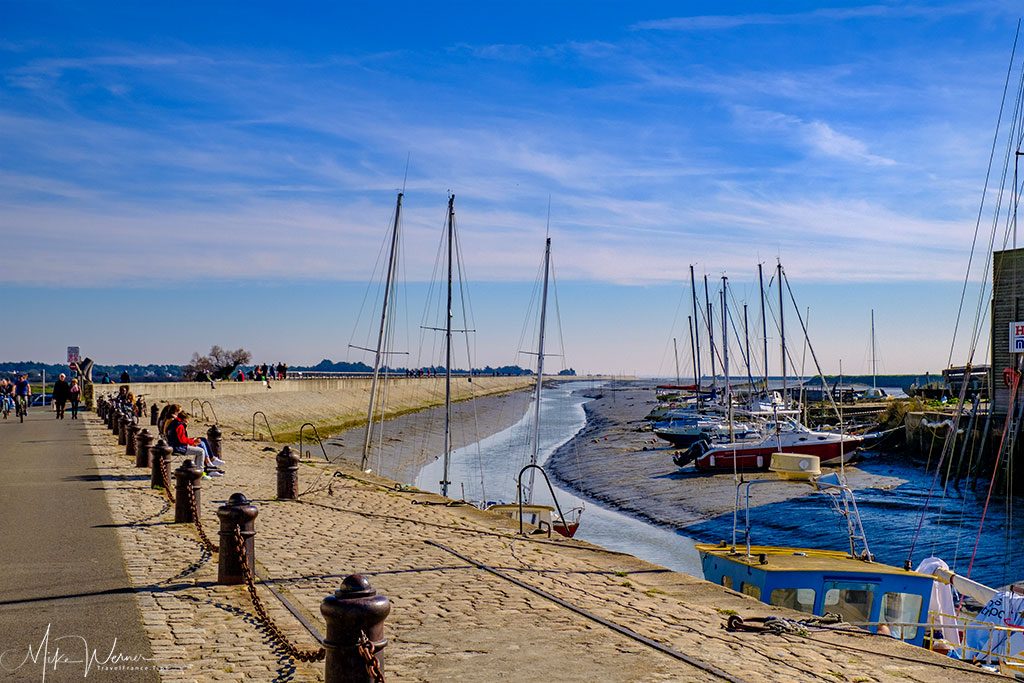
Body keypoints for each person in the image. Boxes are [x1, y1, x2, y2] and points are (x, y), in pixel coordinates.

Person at [165, 411, 224, 477]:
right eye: (187, 420)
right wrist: (193, 441)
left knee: (202, 440)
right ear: (184, 419)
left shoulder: (173, 423)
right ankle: (201, 472)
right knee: (201, 451)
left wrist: (193, 440)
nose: (188, 421)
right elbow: (182, 440)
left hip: (176, 445)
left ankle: (209, 462)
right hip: (179, 447)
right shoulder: (180, 425)